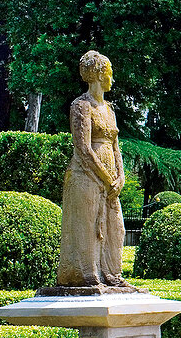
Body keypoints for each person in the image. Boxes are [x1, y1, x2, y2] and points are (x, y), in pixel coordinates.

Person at [55, 50, 133, 288]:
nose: (112, 79)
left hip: (109, 180)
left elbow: (116, 146)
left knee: (115, 227)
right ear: (99, 74)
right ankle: (88, 276)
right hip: (86, 176)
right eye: (110, 74)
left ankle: (112, 275)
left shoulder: (109, 110)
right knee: (88, 226)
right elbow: (83, 148)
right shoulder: (81, 106)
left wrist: (120, 176)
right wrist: (106, 177)